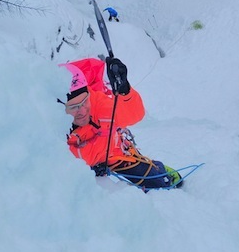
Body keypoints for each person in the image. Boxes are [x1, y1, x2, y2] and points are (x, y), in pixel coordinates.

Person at [61, 57, 181, 190]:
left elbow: (133, 115)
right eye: (74, 107)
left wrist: (125, 92)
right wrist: (89, 166)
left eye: (84, 102)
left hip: (113, 151)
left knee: (159, 184)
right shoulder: (49, 124)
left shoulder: (97, 102)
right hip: (88, 161)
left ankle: (158, 168)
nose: (83, 111)